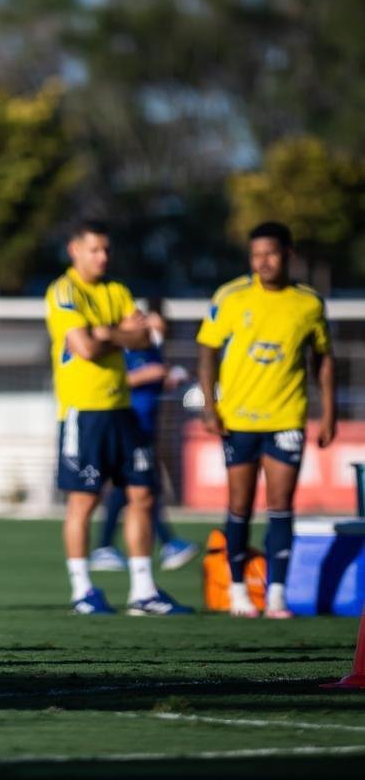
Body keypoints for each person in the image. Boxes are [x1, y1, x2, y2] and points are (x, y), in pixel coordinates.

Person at [43, 220, 190, 615]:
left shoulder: (117, 290)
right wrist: (115, 333)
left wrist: (106, 333)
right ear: (75, 250)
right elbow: (86, 348)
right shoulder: (64, 291)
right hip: (84, 412)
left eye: (107, 250)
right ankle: (82, 590)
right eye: (95, 250)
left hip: (122, 410)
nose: (103, 257)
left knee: (143, 493)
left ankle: (143, 591)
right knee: (84, 501)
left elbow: (146, 339)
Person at [196, 221, 336, 619]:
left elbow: (323, 360)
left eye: (271, 254)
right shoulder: (231, 296)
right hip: (238, 418)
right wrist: (210, 405)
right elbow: (207, 350)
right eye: (256, 255)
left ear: (288, 255)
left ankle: (276, 594)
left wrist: (327, 412)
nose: (263, 262)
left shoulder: (308, 303)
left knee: (280, 505)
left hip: (286, 418)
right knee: (239, 505)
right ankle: (238, 591)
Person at [90, 299, 198, 572]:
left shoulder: (152, 348)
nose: (142, 321)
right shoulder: (122, 349)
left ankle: (110, 547)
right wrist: (147, 375)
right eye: (138, 317)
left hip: (145, 426)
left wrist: (166, 376)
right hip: (128, 425)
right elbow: (114, 380)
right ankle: (164, 543)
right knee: (139, 487)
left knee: (134, 489)